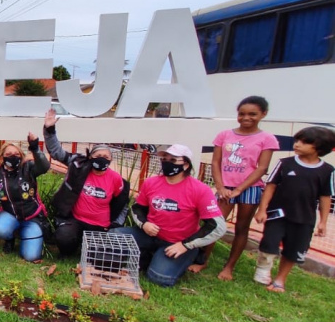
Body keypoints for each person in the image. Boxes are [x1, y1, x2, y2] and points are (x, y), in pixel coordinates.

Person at [114, 145, 226, 287]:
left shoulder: (200, 190)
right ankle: (150, 254)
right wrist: (144, 224)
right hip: (149, 234)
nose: (167, 163)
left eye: (173, 160)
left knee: (159, 278)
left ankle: (189, 255)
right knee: (114, 234)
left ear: (185, 165)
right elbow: (138, 208)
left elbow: (217, 226)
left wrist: (186, 245)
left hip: (177, 242)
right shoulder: (151, 182)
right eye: (165, 159)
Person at [192, 96, 277, 280]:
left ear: (263, 114)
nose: (246, 118)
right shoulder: (224, 135)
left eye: (252, 114)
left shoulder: (267, 138)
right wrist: (220, 186)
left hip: (250, 188)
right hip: (224, 187)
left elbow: (262, 168)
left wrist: (239, 189)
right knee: (213, 224)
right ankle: (202, 260)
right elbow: (215, 162)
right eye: (242, 114)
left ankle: (229, 267)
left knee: (242, 227)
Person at [254, 127, 335, 292]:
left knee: (293, 250)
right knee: (269, 243)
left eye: (304, 142)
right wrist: (262, 209)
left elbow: (325, 197)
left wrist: (323, 222)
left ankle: (279, 280)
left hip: (304, 218)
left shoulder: (327, 171)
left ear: (319, 147)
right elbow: (270, 186)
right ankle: (263, 270)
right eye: (297, 140)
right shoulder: (285, 163)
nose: (297, 144)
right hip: (278, 214)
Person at [43, 109, 130, 256]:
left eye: (105, 156)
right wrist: (49, 129)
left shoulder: (116, 179)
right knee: (64, 238)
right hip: (75, 219)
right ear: (90, 156)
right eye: (98, 155)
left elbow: (123, 203)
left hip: (100, 225)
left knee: (100, 256)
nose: (101, 158)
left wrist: (116, 224)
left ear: (110, 160)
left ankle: (90, 247)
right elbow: (56, 152)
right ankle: (70, 249)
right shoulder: (79, 166)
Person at [0, 138, 52, 261]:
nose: (12, 157)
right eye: (8, 154)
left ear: (21, 156)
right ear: (2, 156)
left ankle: (26, 234)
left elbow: (44, 166)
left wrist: (34, 147)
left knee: (31, 256)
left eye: (16, 154)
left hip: (32, 218)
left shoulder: (28, 168)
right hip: (10, 214)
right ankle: (10, 237)